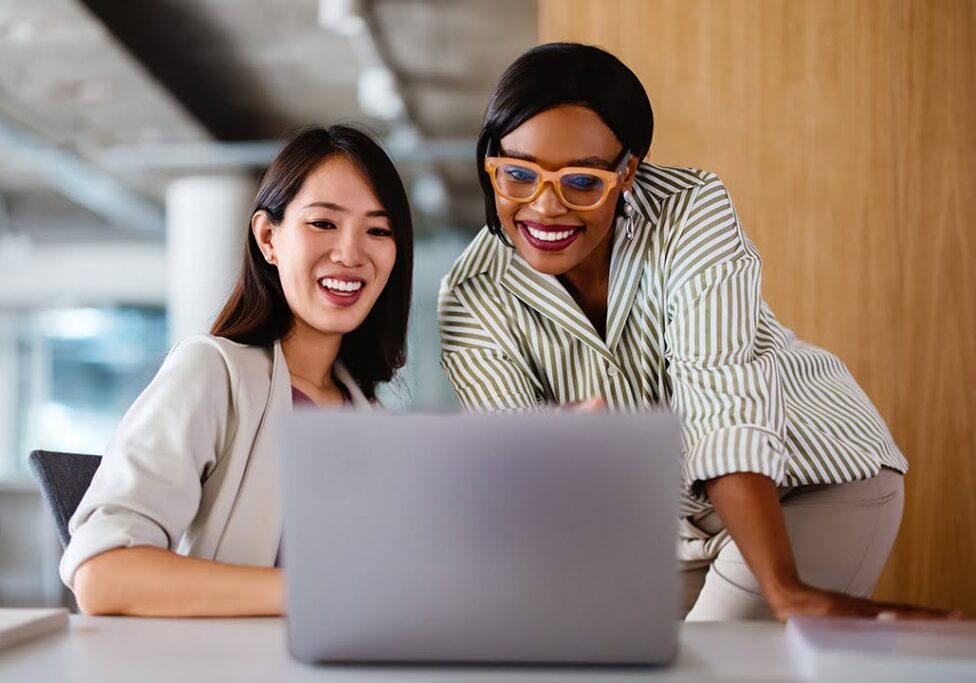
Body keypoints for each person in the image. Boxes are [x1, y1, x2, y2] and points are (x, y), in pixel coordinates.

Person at [438, 43, 959, 621]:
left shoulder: (690, 211)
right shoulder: (472, 295)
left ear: (627, 172)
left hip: (811, 483)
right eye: (517, 174)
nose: (544, 208)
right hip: (672, 527)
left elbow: (721, 399)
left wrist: (784, 588)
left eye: (582, 183)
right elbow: (526, 476)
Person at [60, 125, 413, 617]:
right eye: (323, 224)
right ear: (269, 238)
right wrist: (317, 593)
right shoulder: (213, 372)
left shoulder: (369, 414)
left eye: (378, 230)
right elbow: (103, 573)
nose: (351, 253)